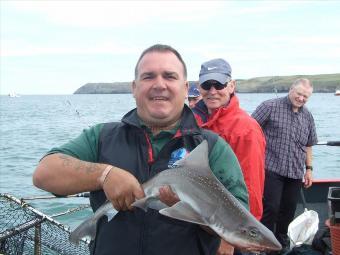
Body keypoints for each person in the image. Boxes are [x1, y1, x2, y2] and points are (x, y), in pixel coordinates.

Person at [32, 44, 249, 255]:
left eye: (170, 76)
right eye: (148, 76)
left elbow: (239, 225)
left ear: (185, 89)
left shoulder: (211, 148)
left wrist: (192, 209)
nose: (159, 84)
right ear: (134, 88)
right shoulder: (102, 137)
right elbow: (44, 174)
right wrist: (104, 175)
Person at [192, 58, 266, 255]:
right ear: (199, 87)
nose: (213, 90)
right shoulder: (191, 121)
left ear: (232, 85)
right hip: (197, 220)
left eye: (219, 84)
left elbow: (251, 188)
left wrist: (231, 239)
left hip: (229, 229)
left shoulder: (246, 129)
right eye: (207, 85)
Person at [251, 78, 318, 254]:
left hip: (295, 172)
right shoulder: (269, 106)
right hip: (271, 168)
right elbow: (250, 129)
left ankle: (279, 245)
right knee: (270, 209)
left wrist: (309, 169)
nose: (302, 98)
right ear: (291, 90)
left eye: (306, 96)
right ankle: (262, 244)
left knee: (288, 211)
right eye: (299, 94)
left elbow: (309, 144)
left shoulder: (308, 116)